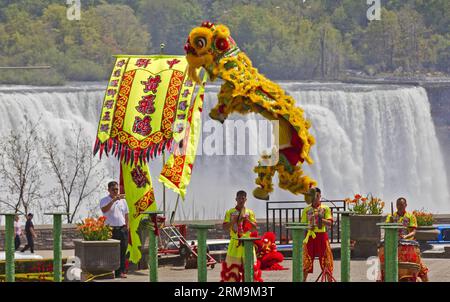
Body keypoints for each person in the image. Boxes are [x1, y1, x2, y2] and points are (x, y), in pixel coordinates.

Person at [220, 190, 262, 282]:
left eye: (243, 198)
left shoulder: (250, 212)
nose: (241, 200)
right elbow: (224, 227)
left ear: (246, 199)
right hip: (235, 242)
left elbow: (254, 228)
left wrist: (247, 220)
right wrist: (233, 221)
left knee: (251, 268)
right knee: (232, 270)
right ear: (236, 199)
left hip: (248, 244)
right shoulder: (230, 212)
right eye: (239, 198)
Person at [384, 197, 429, 281]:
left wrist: (405, 237)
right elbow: (387, 228)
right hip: (394, 245)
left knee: (421, 269)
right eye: (398, 204)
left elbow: (413, 232)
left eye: (401, 204)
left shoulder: (410, 216)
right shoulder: (391, 216)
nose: (399, 206)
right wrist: (390, 221)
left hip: (408, 246)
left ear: (406, 205)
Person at [301, 187, 334, 281]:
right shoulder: (306, 210)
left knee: (326, 260)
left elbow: (330, 223)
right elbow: (302, 224)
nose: (315, 198)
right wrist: (308, 226)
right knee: (306, 261)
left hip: (322, 237)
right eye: (313, 196)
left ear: (320, 196)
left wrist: (320, 218)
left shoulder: (325, 208)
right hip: (310, 237)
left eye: (317, 196)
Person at [100, 181, 129, 279]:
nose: (115, 191)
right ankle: (110, 271)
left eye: (117, 189)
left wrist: (127, 227)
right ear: (108, 190)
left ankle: (120, 272)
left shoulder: (123, 201)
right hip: (110, 229)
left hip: (122, 229)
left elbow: (126, 214)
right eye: (113, 189)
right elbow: (104, 210)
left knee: (122, 251)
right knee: (110, 252)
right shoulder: (104, 200)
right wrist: (112, 201)